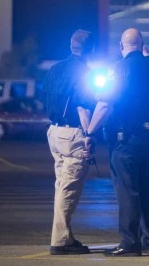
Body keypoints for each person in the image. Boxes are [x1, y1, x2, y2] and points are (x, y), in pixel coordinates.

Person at [84, 28, 149, 257]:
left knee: (128, 191)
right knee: (148, 188)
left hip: (126, 139)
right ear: (142, 45)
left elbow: (105, 104)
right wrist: (144, 52)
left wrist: (89, 132)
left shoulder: (118, 69)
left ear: (121, 46)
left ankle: (130, 243)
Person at [42, 29, 96, 255]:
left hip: (54, 132)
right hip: (73, 134)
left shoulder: (54, 69)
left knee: (61, 187)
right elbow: (83, 107)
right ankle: (60, 241)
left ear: (71, 46)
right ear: (91, 50)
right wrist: (89, 135)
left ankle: (66, 236)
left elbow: (44, 98)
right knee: (69, 189)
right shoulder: (84, 72)